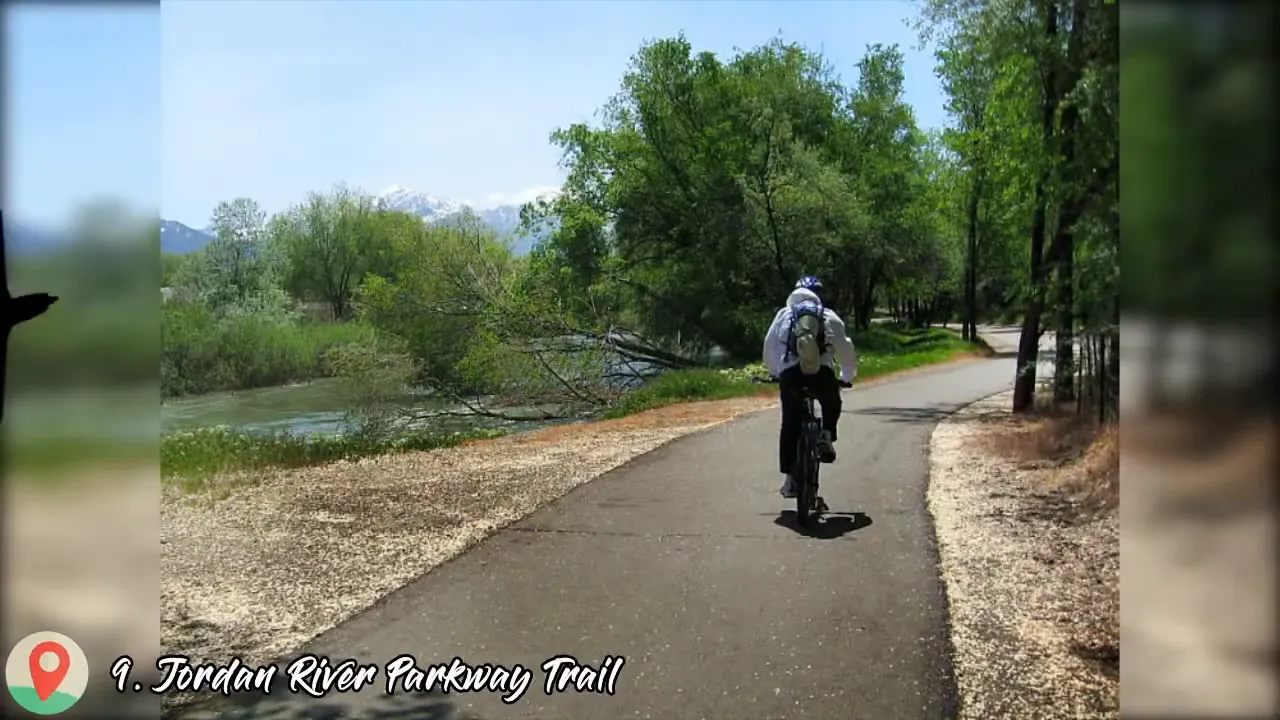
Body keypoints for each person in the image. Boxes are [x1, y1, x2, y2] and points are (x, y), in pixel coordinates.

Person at [762, 276, 858, 498]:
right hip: (821, 374)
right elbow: (846, 349)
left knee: (790, 423)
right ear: (819, 295)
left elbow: (769, 347)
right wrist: (846, 376)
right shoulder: (828, 315)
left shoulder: (784, 315)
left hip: (791, 376)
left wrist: (777, 371)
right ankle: (826, 434)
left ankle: (789, 480)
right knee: (832, 402)